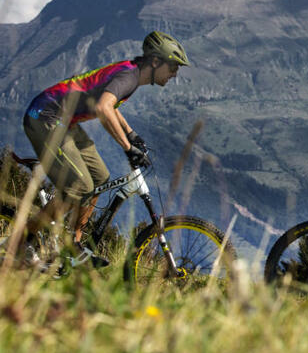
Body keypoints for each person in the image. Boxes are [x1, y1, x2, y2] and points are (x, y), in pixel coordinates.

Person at [20, 30, 190, 266]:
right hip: (45, 117)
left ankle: (74, 242)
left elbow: (112, 104)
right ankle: (23, 239)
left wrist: (131, 133)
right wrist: (127, 146)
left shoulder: (132, 75)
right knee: (79, 185)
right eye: (173, 66)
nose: (175, 73)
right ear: (154, 61)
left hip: (65, 121)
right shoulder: (128, 77)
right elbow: (103, 108)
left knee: (100, 178)